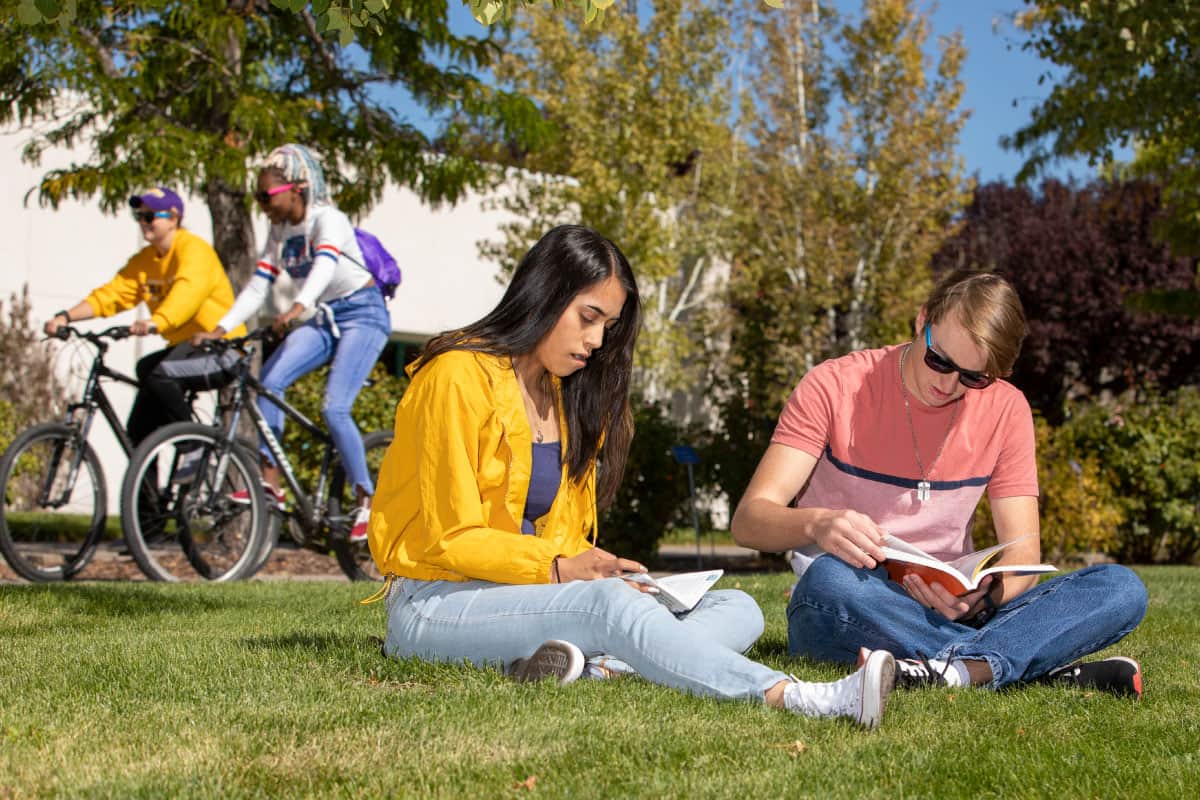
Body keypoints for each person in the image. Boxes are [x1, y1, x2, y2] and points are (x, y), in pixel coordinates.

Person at [365, 224, 896, 729]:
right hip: (436, 605)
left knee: (737, 607)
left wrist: (602, 571)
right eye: (588, 316)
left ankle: (598, 666)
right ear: (545, 294)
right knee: (609, 606)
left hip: (525, 598)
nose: (597, 340)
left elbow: (562, 538)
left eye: (609, 326)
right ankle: (799, 696)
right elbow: (450, 537)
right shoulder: (457, 375)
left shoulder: (563, 396)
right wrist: (561, 570)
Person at [730, 269, 1148, 698]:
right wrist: (816, 524)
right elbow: (749, 521)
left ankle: (944, 670)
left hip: (956, 614)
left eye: (973, 378)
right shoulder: (834, 386)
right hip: (852, 606)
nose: (947, 385)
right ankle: (1008, 667)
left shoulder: (1007, 410)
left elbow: (1024, 557)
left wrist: (984, 601)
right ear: (922, 321)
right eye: (939, 360)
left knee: (1119, 589)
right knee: (827, 580)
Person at [192, 144, 391, 542]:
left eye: (266, 195)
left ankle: (368, 501)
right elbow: (257, 286)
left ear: (296, 189)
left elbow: (326, 265)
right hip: (324, 316)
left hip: (363, 314)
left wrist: (299, 304)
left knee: (334, 408)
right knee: (268, 382)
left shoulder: (328, 219)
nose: (261, 204)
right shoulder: (280, 232)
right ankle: (270, 484)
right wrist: (221, 328)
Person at [43, 187, 246, 450]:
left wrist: (156, 322)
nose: (143, 222)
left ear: (173, 218)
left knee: (159, 374)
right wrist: (66, 316)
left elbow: (188, 292)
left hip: (222, 350)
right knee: (139, 427)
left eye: (150, 216)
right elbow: (112, 294)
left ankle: (194, 449)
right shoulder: (145, 261)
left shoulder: (194, 250)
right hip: (185, 350)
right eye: (139, 216)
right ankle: (146, 489)